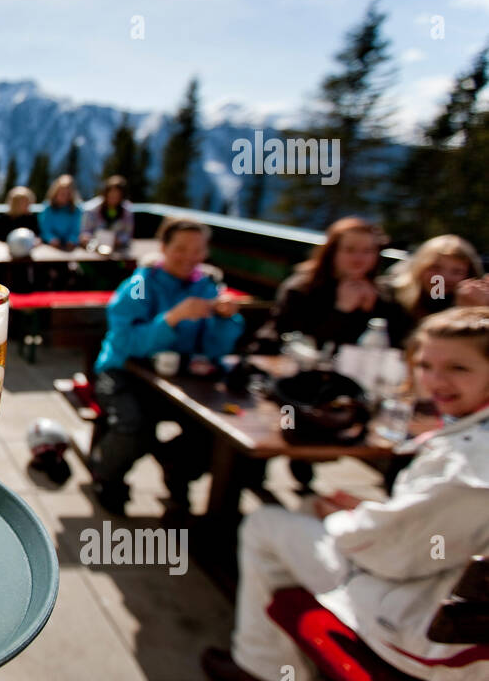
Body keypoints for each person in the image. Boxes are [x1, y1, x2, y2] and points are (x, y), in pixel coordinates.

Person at [203, 306, 489, 681]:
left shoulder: (470, 467)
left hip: (432, 636)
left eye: (458, 368)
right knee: (303, 511)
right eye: (426, 364)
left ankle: (271, 678)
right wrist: (373, 512)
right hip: (437, 595)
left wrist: (342, 518)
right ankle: (287, 656)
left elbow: (388, 555)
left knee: (266, 524)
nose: (436, 381)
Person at [89, 217, 244, 515]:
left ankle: (177, 471)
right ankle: (107, 478)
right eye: (181, 248)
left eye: (197, 250)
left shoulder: (207, 288)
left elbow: (217, 349)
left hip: (182, 381)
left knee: (213, 432)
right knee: (135, 425)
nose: (189, 257)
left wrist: (225, 321)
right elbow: (125, 342)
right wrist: (172, 319)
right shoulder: (138, 285)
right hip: (122, 372)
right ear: (163, 247)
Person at [268, 216, 408, 349]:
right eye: (350, 250)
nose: (359, 258)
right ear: (332, 252)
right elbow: (291, 341)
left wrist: (370, 312)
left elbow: (396, 343)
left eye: (368, 251)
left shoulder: (382, 294)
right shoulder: (302, 288)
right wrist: (341, 311)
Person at [381, 234, 485, 328]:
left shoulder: (475, 302)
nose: (444, 277)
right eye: (435, 268)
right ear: (419, 267)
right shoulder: (389, 294)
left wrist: (473, 311)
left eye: (457, 272)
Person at [81, 174, 134, 252]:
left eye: (117, 195)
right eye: (111, 194)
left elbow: (128, 234)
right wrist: (89, 240)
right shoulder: (92, 209)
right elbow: (85, 231)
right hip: (93, 250)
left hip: (118, 251)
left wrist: (118, 240)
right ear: (105, 193)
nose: (113, 198)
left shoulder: (127, 211)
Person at [38, 174, 82, 250]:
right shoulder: (48, 208)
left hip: (69, 246)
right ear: (55, 193)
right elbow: (45, 229)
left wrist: (72, 240)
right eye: (62, 194)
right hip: (49, 245)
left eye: (68, 194)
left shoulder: (76, 209)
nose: (64, 197)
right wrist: (51, 239)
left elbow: (76, 230)